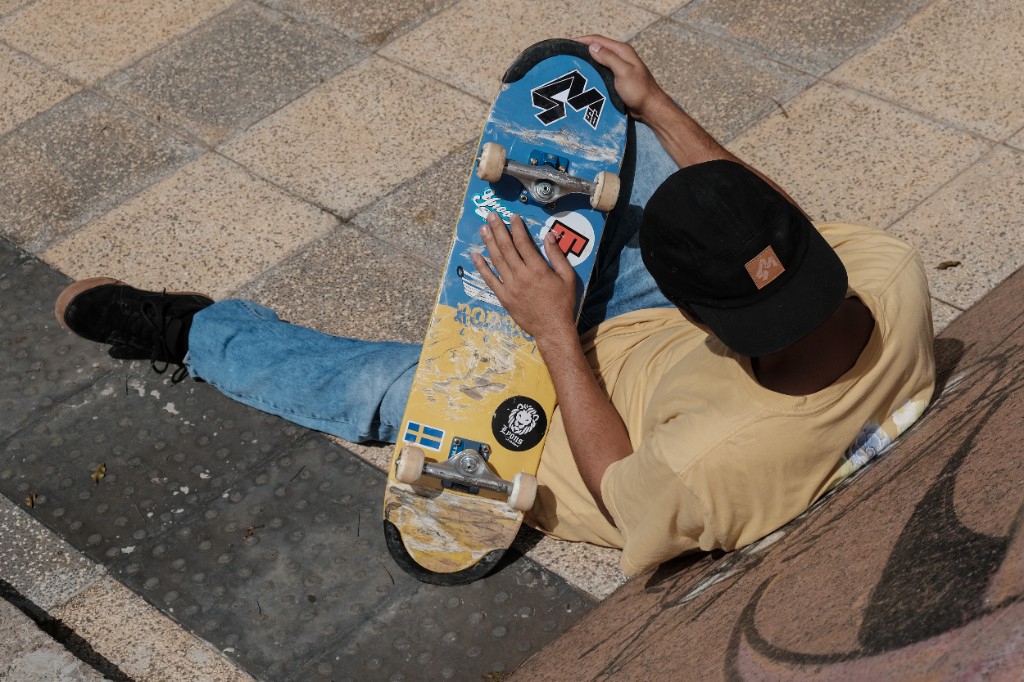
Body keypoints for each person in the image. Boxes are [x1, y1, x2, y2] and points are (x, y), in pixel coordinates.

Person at [54, 35, 936, 576]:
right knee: (679, 189)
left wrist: (553, 330)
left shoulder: (712, 463)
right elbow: (762, 224)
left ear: (710, 320)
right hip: (657, 336)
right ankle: (592, 171)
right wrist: (657, 105)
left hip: (553, 435)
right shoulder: (887, 275)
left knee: (384, 386)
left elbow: (630, 499)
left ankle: (194, 331)